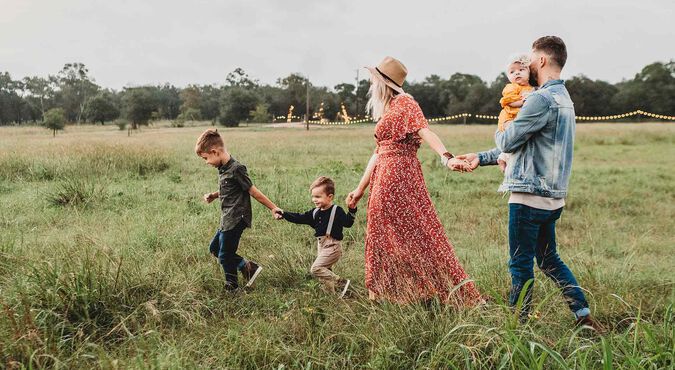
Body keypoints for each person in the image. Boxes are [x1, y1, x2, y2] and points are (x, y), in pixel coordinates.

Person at [456, 36, 601, 330]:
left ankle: (517, 327)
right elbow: (527, 146)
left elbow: (509, 139)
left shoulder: (539, 98)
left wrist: (504, 124)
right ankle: (582, 316)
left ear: (543, 60)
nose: (528, 64)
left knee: (520, 264)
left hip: (528, 197)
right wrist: (481, 157)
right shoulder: (565, 99)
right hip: (553, 198)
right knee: (549, 260)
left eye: (531, 59)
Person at [345, 56, 483, 305]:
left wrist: (446, 157)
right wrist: (359, 189)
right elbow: (378, 152)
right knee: (384, 234)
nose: (370, 85)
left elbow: (425, 130)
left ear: (384, 82)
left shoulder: (406, 103)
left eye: (373, 80)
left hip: (398, 176)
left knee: (416, 233)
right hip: (384, 175)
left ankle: (425, 290)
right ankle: (389, 293)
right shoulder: (389, 109)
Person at [195, 129, 282, 291]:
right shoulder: (223, 169)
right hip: (226, 218)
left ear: (215, 152)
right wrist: (214, 195)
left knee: (225, 254)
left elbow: (253, 191)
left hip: (236, 219)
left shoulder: (236, 168)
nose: (206, 162)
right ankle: (248, 267)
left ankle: (232, 286)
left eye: (206, 158)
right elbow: (229, 189)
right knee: (214, 249)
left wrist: (273, 208)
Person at [276, 176, 356, 298]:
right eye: (313, 196)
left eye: (318, 197)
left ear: (330, 197)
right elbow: (299, 217)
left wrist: (352, 209)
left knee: (316, 269)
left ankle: (341, 283)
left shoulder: (336, 210)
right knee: (325, 274)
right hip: (321, 245)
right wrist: (284, 214)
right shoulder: (315, 212)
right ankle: (333, 296)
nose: (314, 199)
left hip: (333, 246)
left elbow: (348, 223)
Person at [496, 54, 535, 172]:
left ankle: (503, 157)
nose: (517, 73)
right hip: (509, 117)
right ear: (508, 77)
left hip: (519, 117)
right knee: (513, 135)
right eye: (512, 72)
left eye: (521, 70)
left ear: (529, 73)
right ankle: (505, 160)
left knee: (520, 140)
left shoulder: (532, 88)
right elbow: (508, 101)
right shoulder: (511, 87)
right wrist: (522, 102)